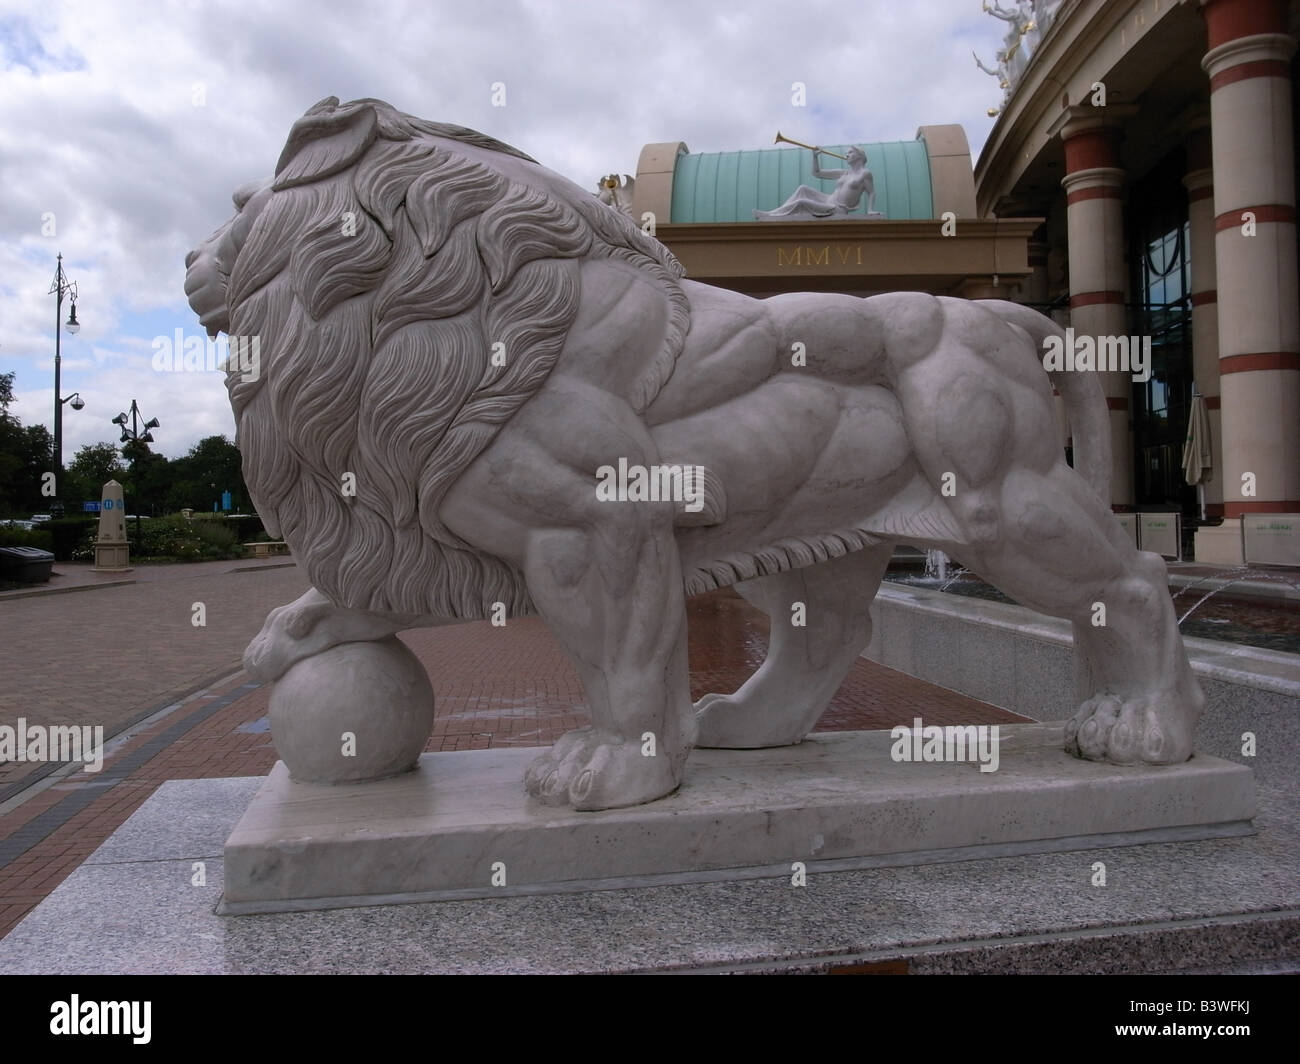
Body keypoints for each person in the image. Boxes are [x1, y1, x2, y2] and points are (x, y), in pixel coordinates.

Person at [754, 146, 878, 220]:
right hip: (828, 200)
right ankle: (774, 213)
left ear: (860, 155)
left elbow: (871, 193)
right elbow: (817, 173)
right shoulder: (844, 173)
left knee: (801, 202)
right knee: (803, 189)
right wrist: (815, 157)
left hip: (837, 209)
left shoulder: (865, 174)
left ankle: (771, 216)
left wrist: (870, 210)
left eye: (850, 152)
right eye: (847, 152)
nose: (847, 154)